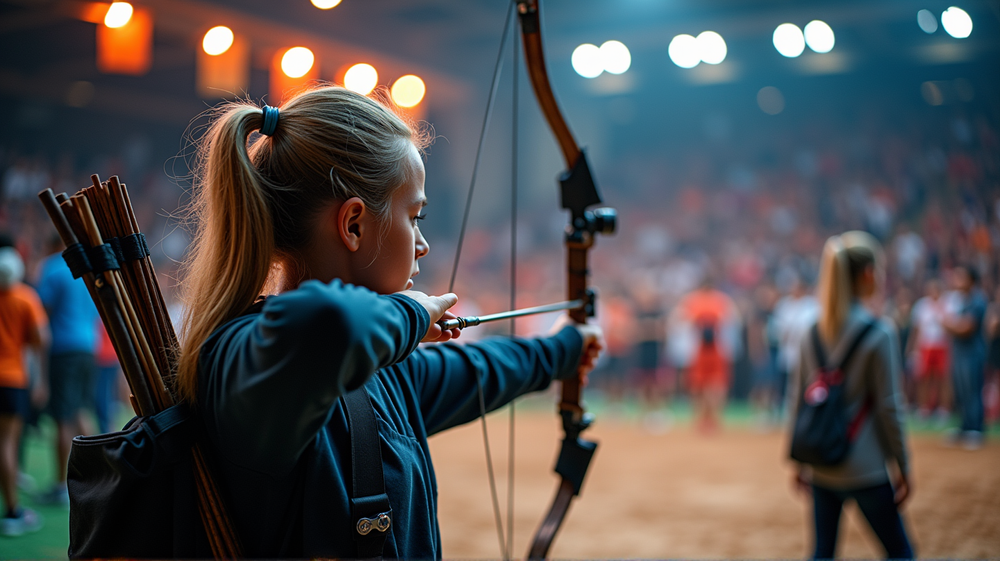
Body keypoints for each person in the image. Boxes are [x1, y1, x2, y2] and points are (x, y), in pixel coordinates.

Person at [174, 87, 603, 558]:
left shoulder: (383, 370)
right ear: (354, 224)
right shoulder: (245, 361)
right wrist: (413, 313)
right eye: (414, 216)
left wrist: (567, 345)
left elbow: (480, 369)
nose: (422, 244)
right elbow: (330, 323)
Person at [789, 231, 913, 560]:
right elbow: (889, 408)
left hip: (821, 466)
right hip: (867, 467)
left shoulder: (810, 331)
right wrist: (902, 464)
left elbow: (799, 401)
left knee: (822, 553)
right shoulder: (880, 332)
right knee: (900, 552)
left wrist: (799, 460)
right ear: (869, 274)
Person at [35, 234, 100, 505]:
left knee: (62, 416)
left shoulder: (52, 267)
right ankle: (100, 474)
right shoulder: (86, 269)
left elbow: (40, 313)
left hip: (63, 349)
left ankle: (60, 485)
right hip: (88, 346)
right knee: (81, 409)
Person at [0, 246, 48, 536]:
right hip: (13, 379)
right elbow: (41, 338)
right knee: (7, 443)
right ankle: (13, 511)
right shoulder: (25, 298)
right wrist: (40, 379)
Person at [675, 274, 739, 433]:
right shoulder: (722, 301)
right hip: (716, 349)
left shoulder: (692, 301)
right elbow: (732, 323)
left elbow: (682, 323)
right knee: (715, 385)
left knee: (700, 386)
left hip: (700, 350)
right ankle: (714, 420)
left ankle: (702, 420)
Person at [943, 265, 987, 449]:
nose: (957, 281)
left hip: (973, 354)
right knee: (961, 391)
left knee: (972, 390)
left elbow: (966, 328)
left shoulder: (977, 300)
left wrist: (949, 324)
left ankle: (976, 429)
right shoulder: (962, 301)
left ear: (971, 280)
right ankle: (965, 427)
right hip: (960, 353)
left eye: (961, 277)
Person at [907, 279, 951, 419]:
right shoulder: (921, 306)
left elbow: (950, 326)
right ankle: (923, 408)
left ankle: (943, 409)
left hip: (942, 346)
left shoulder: (946, 304)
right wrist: (913, 349)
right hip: (925, 346)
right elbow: (916, 329)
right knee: (923, 378)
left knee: (942, 378)